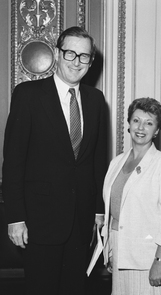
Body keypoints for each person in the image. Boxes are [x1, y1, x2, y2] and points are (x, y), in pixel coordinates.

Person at [2, 26, 107, 295]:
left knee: (75, 288)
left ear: (90, 62)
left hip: (81, 221)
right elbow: (13, 161)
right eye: (70, 53)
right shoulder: (28, 95)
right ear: (57, 55)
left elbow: (97, 160)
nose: (76, 61)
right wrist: (15, 217)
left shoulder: (96, 100)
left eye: (84, 56)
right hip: (39, 222)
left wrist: (98, 211)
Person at [101, 97, 161, 295]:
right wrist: (111, 250)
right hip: (122, 251)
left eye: (149, 123)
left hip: (151, 258)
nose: (141, 127)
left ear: (156, 131)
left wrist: (159, 262)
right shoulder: (117, 162)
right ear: (129, 124)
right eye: (136, 120)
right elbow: (113, 212)